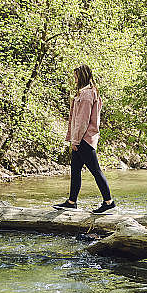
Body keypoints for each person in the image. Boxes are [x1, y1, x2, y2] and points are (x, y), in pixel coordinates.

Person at [53, 64, 116, 214]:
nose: (74, 79)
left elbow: (82, 120)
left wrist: (75, 141)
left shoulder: (87, 95)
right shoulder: (85, 93)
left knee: (96, 171)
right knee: (75, 170)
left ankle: (109, 202)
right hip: (81, 139)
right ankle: (71, 202)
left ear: (81, 76)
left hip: (84, 140)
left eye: (76, 76)